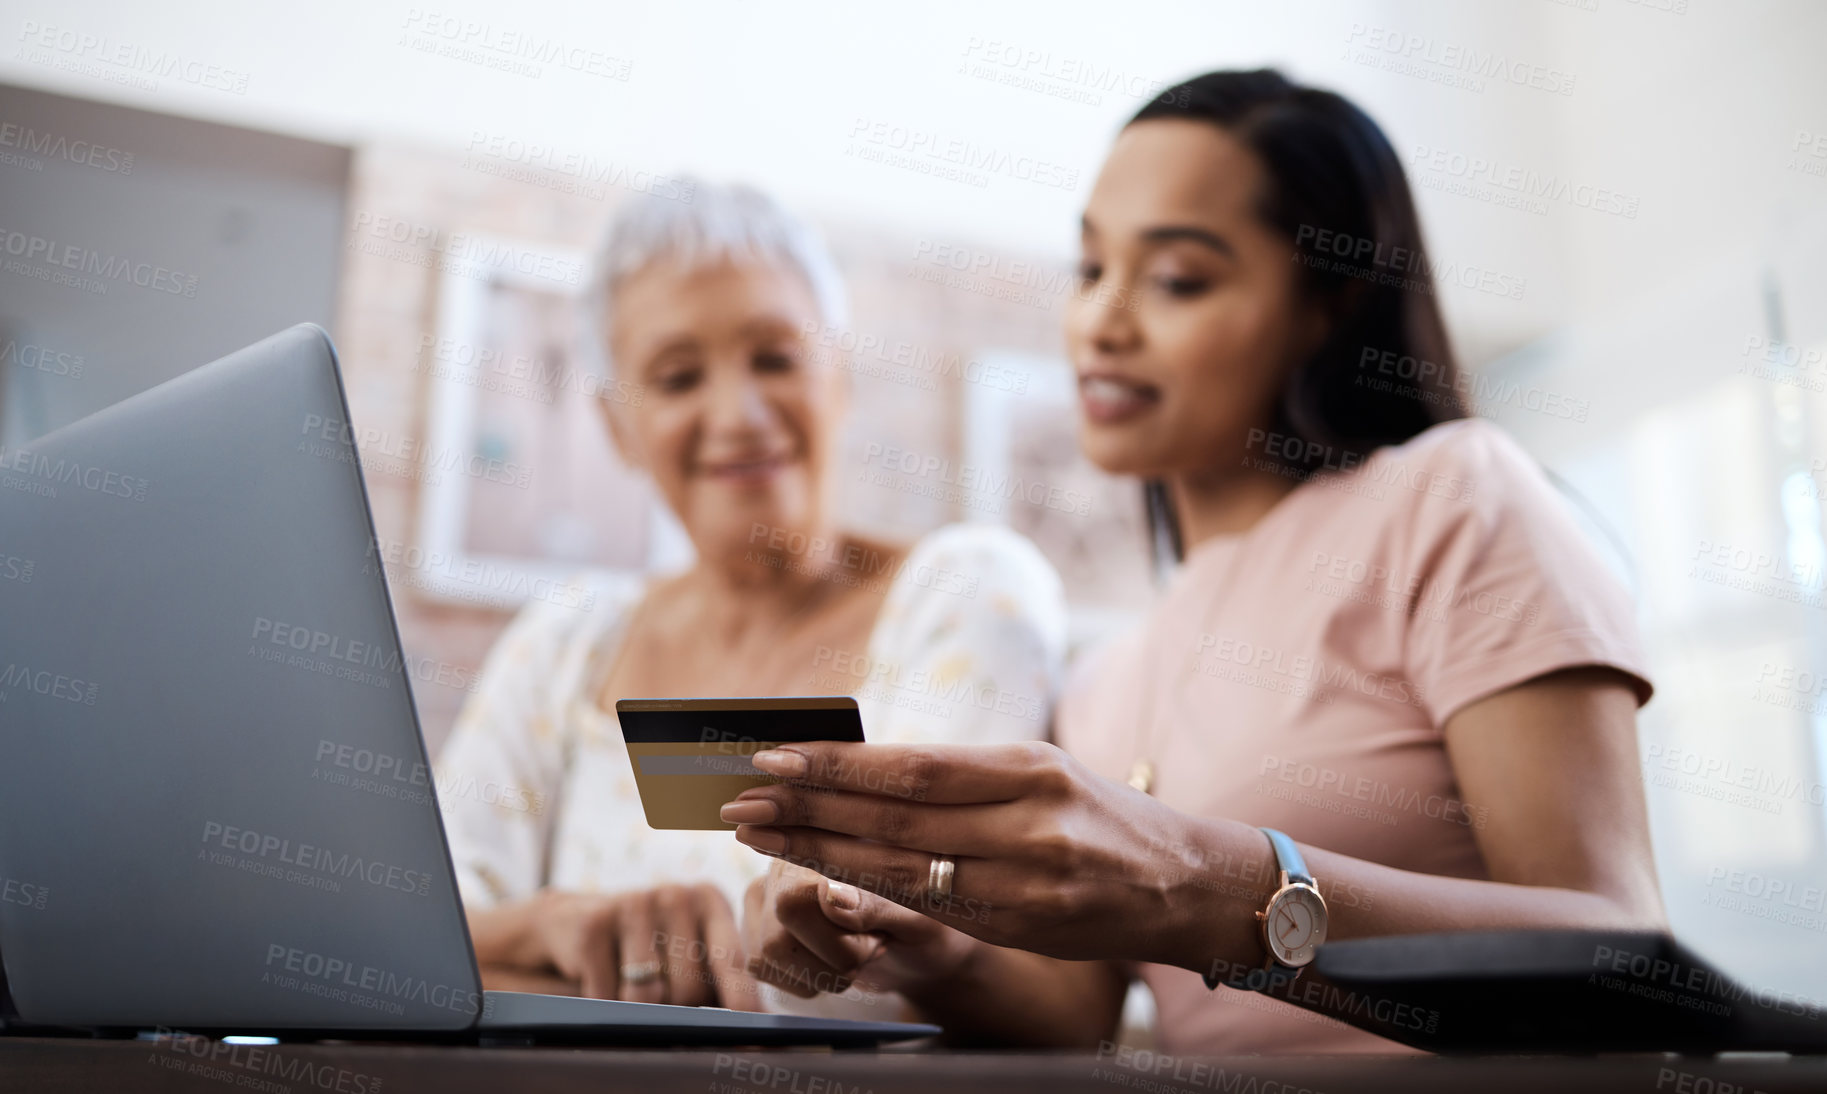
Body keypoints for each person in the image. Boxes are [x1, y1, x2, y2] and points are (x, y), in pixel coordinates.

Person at [727, 69, 1662, 1051]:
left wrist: (1201, 884)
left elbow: (1622, 960)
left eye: (1176, 278)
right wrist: (912, 938)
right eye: (1089, 270)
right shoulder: (1101, 679)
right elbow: (1075, 1013)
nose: (1102, 323)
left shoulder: (1449, 499)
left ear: (1328, 302)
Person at [432, 181, 1067, 1013]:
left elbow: (994, 963)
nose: (737, 414)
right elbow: (423, 933)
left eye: (775, 358)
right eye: (677, 377)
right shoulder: (566, 640)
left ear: (837, 376)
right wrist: (555, 925)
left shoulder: (964, 596)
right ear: (617, 424)